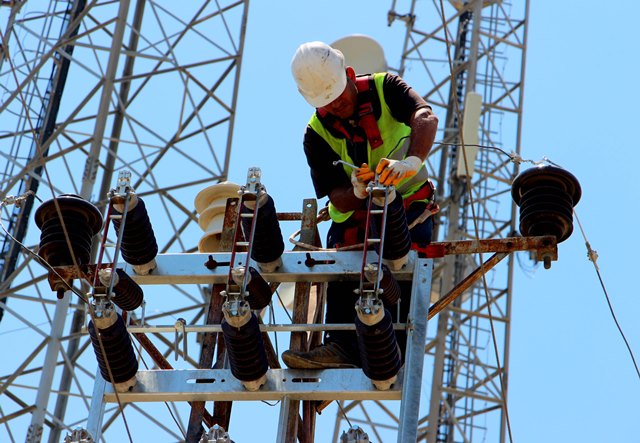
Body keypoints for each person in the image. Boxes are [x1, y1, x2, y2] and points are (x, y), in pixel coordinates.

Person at [282, 41, 439, 369]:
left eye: (340, 97)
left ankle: (397, 344)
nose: (337, 106)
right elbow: (334, 196)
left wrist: (411, 162)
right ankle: (341, 345)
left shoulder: (386, 88)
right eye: (328, 104)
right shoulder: (315, 135)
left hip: (408, 206)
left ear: (350, 76)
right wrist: (357, 189)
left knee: (403, 266)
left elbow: (425, 115)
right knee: (344, 268)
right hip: (356, 218)